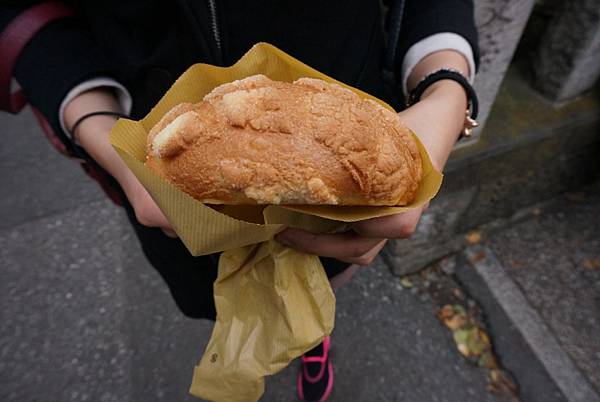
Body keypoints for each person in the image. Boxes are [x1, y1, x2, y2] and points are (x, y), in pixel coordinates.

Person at [1, 1, 479, 400]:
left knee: (325, 277)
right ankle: (254, 337)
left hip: (346, 146)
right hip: (161, 162)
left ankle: (309, 339)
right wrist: (97, 125)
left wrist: (446, 89)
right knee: (209, 293)